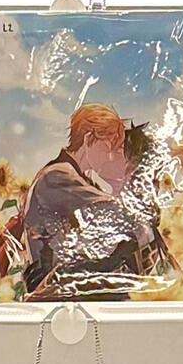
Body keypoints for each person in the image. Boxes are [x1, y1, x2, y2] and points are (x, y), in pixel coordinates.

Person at [14, 103, 162, 299]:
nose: (110, 155)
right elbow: (120, 215)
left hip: (68, 277)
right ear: (88, 139)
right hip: (52, 280)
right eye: (109, 146)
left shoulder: (78, 177)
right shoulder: (57, 176)